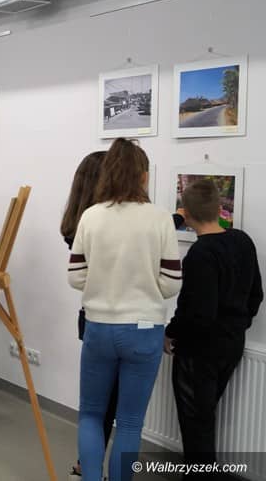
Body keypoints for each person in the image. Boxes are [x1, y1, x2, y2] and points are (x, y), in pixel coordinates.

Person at [68, 138, 182, 481]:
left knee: (91, 414)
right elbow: (171, 283)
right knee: (131, 422)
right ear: (143, 176)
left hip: (99, 327)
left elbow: (76, 277)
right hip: (145, 330)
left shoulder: (91, 216)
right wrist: (146, 287)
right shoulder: (160, 218)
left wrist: (103, 285)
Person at [165, 179, 262, 479]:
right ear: (219, 208)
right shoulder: (242, 241)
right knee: (204, 418)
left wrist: (171, 333)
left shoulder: (200, 254)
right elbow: (256, 295)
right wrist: (237, 324)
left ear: (187, 214)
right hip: (231, 344)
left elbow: (197, 312)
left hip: (200, 352)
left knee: (197, 425)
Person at [60, 151, 118, 480]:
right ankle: (93, 468)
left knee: (96, 406)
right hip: (119, 321)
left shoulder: (78, 223)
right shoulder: (102, 223)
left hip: (91, 316)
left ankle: (86, 465)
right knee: (114, 408)